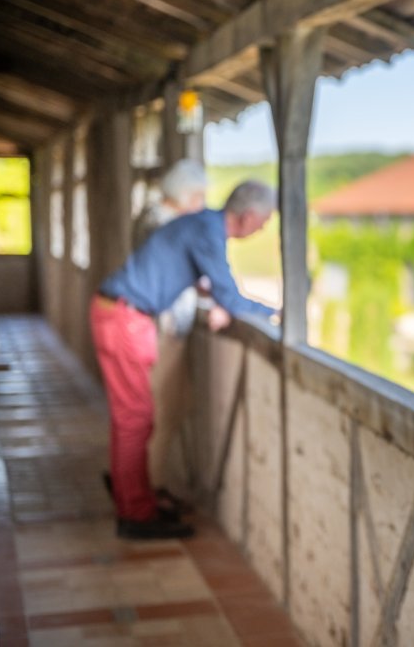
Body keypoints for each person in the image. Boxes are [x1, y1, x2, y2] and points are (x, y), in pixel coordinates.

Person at [92, 180, 278, 539]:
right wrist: (275, 312)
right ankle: (136, 514)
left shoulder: (201, 223)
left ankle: (134, 498)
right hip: (126, 319)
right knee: (136, 420)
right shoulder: (208, 231)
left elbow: (197, 278)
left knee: (131, 419)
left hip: (118, 313)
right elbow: (232, 297)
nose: (264, 227)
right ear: (249, 216)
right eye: (265, 220)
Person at [134, 160, 207, 514]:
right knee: (161, 410)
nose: (202, 205)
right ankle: (151, 490)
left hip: (165, 328)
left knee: (171, 408)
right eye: (199, 197)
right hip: (163, 331)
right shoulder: (162, 226)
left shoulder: (154, 222)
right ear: (185, 195)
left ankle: (150, 486)